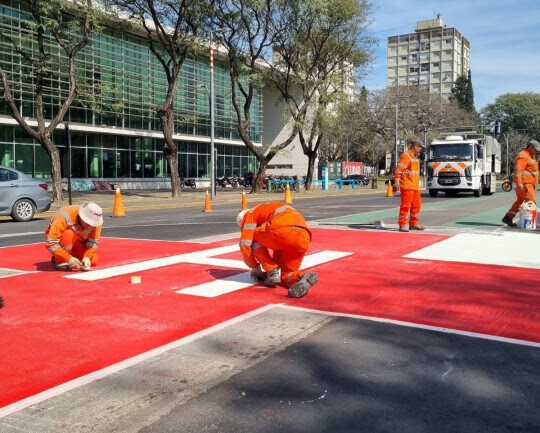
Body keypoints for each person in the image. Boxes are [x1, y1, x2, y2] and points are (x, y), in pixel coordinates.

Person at [237, 202, 318, 298]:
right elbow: (278, 248)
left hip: (282, 229)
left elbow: (245, 246)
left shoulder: (248, 214)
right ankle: (303, 277)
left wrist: (255, 267)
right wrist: (274, 273)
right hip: (303, 237)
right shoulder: (268, 209)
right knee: (286, 276)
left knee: (251, 237)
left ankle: (271, 270)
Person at [45, 202, 103, 271]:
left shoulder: (96, 222)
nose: (90, 226)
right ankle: (60, 260)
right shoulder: (63, 216)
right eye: (88, 223)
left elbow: (92, 242)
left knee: (93, 261)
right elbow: (51, 244)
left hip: (78, 241)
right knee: (69, 233)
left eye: (92, 223)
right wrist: (68, 258)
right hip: (63, 240)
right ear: (80, 216)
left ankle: (73, 259)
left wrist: (87, 257)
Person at [502, 139, 540, 227]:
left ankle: (508, 217)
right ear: (530, 147)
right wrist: (519, 184)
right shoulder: (523, 155)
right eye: (536, 150)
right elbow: (518, 171)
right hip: (525, 184)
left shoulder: (530, 155)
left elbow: (532, 171)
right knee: (531, 202)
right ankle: (532, 221)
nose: (537, 152)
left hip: (527, 183)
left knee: (520, 201)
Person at [393, 138, 426, 232]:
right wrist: (396, 181)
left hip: (414, 186)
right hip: (407, 185)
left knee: (416, 205)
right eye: (420, 147)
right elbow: (399, 170)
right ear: (415, 146)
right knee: (405, 206)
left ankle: (413, 224)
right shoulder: (406, 156)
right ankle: (402, 224)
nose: (420, 150)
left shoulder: (415, 157)